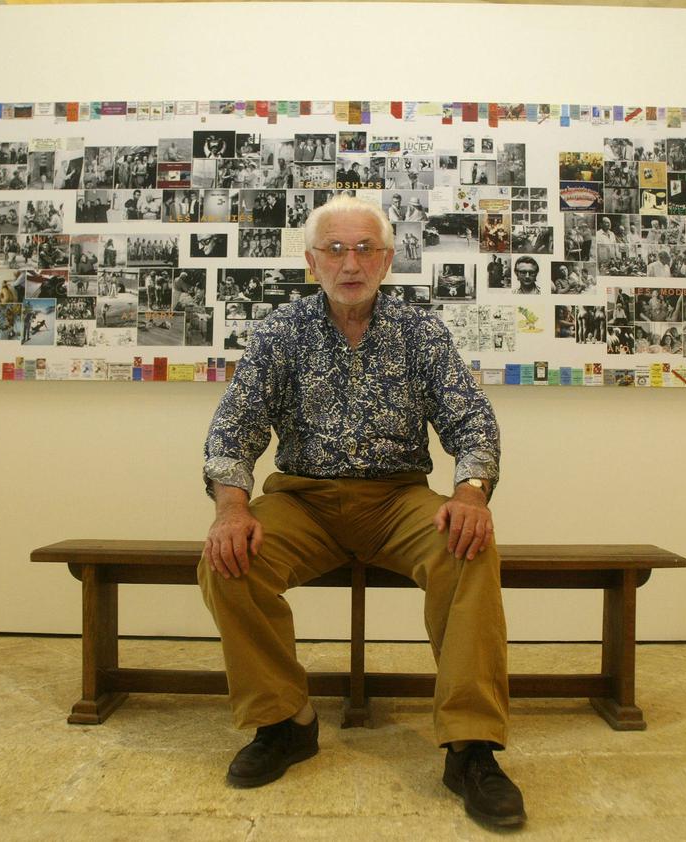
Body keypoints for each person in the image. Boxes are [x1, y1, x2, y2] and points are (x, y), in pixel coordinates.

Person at [199, 194, 524, 828]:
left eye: (365, 248)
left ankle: (470, 746)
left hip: (397, 498)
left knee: (469, 549)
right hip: (303, 500)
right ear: (311, 260)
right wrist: (231, 506)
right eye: (335, 249)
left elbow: (471, 422)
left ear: (388, 258)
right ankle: (284, 721)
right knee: (228, 561)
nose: (351, 263)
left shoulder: (421, 332)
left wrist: (470, 492)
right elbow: (233, 430)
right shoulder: (279, 333)